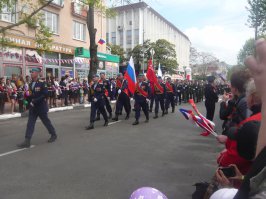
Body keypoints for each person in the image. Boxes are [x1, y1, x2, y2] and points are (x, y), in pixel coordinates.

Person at [17, 68, 57, 148]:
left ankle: (53, 134)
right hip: (33, 108)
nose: (31, 73)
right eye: (31, 72)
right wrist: (26, 100)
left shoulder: (42, 83)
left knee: (46, 122)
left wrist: (34, 101)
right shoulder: (31, 84)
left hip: (41, 107)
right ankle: (27, 140)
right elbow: (30, 95)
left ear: (37, 73)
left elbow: (45, 94)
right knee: (30, 123)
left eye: (32, 72)